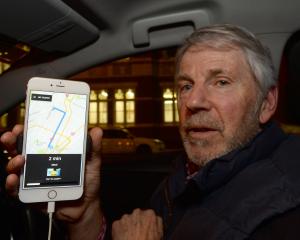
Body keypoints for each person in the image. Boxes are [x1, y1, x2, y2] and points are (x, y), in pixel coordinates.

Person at [2, 23, 300, 240]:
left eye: (220, 81)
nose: (193, 102)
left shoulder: (283, 214)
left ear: (267, 103)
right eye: (185, 86)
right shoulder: (190, 174)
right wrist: (85, 214)